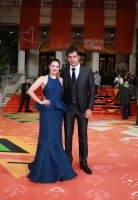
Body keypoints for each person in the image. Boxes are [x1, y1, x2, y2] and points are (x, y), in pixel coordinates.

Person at [27, 58, 77, 183]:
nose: (55, 68)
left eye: (57, 66)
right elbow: (30, 90)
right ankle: (44, 169)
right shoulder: (43, 79)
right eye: (53, 66)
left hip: (58, 112)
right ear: (49, 66)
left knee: (56, 138)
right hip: (47, 111)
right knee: (47, 138)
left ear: (59, 68)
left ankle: (57, 167)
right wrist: (40, 101)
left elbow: (69, 92)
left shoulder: (61, 80)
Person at [62, 46, 95, 175]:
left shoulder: (87, 71)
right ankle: (67, 162)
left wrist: (89, 108)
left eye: (74, 56)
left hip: (82, 109)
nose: (72, 59)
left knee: (83, 136)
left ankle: (84, 162)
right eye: (70, 57)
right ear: (67, 58)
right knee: (68, 136)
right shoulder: (63, 71)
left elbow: (92, 91)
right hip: (68, 108)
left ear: (79, 57)